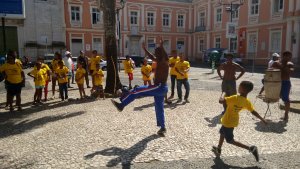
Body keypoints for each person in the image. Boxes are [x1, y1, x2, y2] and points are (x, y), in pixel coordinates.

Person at [111, 38, 169, 136]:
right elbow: (152, 56)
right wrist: (145, 49)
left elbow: (163, 55)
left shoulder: (164, 61)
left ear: (160, 54)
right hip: (162, 88)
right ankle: (162, 128)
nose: (154, 55)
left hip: (159, 87)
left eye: (156, 53)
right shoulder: (159, 60)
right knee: (159, 107)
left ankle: (122, 104)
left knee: (137, 90)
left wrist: (162, 46)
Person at [212, 81, 267, 162]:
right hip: (231, 121)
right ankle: (218, 149)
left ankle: (251, 148)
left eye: (240, 87)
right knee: (222, 133)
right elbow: (253, 111)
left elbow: (221, 101)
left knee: (230, 140)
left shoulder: (235, 98)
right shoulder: (246, 101)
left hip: (228, 122)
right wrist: (262, 119)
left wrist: (223, 93)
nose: (238, 87)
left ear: (243, 90)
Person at [271, 51, 294, 121]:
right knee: (278, 96)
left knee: (286, 99)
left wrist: (282, 66)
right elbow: (270, 71)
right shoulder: (276, 63)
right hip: (277, 82)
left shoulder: (290, 64)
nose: (290, 58)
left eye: (290, 56)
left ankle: (286, 114)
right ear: (284, 56)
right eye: (288, 56)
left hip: (285, 82)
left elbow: (290, 72)